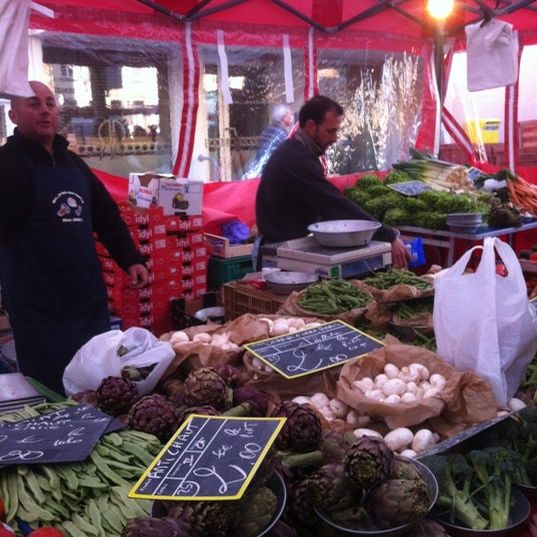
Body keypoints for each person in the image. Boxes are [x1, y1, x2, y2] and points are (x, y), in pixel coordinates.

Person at [0, 81, 149, 393]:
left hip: (87, 302)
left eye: (50, 103)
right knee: (52, 394)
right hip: (38, 310)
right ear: (13, 114)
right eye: (33, 103)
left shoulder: (74, 164)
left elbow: (106, 215)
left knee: (97, 386)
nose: (44, 110)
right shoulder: (7, 164)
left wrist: (131, 259)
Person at [255, 95, 410, 269]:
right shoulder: (296, 159)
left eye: (336, 131)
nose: (335, 138)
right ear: (311, 126)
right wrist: (388, 235)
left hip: (286, 246)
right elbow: (333, 204)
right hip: (279, 255)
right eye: (331, 131)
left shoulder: (296, 151)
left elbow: (329, 204)